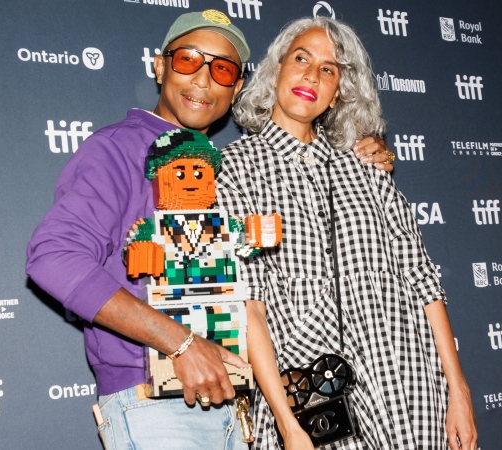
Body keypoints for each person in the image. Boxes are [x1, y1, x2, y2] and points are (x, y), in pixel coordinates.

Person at [26, 10, 393, 450]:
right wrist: (181, 343)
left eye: (221, 69)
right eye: (188, 60)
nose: (203, 79)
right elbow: (53, 258)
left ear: (236, 87)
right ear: (160, 65)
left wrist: (361, 151)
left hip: (235, 405)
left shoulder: (223, 167)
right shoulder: (118, 148)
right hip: (156, 405)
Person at [216, 16, 477, 450]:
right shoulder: (235, 171)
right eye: (301, 58)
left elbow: (423, 281)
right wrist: (287, 425)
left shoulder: (368, 168)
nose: (311, 75)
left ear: (338, 91)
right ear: (276, 69)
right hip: (310, 407)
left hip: (408, 391)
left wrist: (459, 391)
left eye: (328, 69)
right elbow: (250, 310)